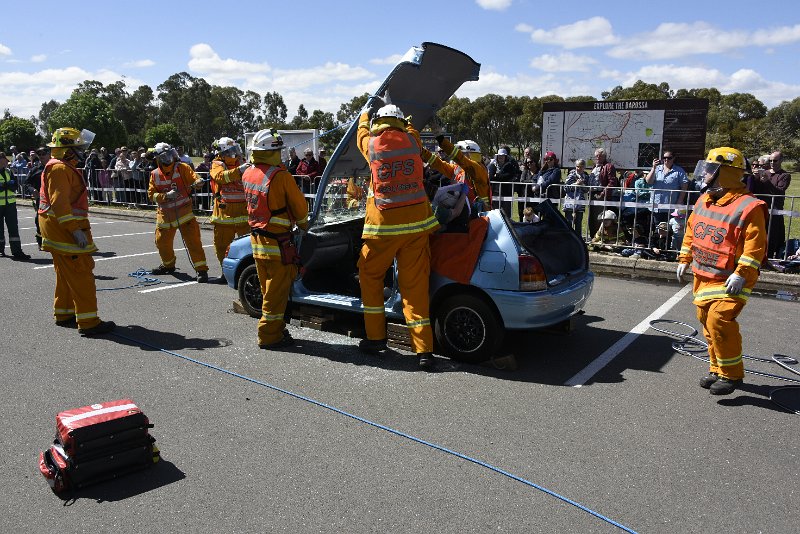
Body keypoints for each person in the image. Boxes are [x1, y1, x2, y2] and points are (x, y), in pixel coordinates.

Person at [676, 147, 768, 395]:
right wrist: (685, 257)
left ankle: (732, 375)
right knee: (707, 322)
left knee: (720, 321)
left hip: (731, 280)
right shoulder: (704, 199)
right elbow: (691, 231)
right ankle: (717, 369)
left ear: (724, 173)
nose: (704, 174)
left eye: (709, 169)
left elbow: (755, 246)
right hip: (704, 276)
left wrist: (742, 273)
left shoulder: (749, 207)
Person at [356, 99, 439, 371]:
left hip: (383, 229)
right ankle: (424, 351)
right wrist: (409, 120)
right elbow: (413, 130)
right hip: (416, 227)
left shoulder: (372, 144)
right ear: (402, 123)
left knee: (370, 277)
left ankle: (376, 339)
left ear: (379, 123)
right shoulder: (413, 142)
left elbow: (361, 135)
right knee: (415, 289)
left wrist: (365, 114)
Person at [38, 128, 115, 335]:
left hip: (58, 230)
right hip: (64, 232)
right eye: (79, 147)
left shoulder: (61, 167)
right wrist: (75, 230)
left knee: (65, 275)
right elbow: (60, 203)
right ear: (67, 150)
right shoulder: (60, 169)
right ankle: (89, 322)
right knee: (82, 274)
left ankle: (63, 313)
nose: (83, 151)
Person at [241, 128, 309, 349]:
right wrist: (305, 224)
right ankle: (269, 336)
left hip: (257, 243)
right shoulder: (280, 176)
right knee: (275, 295)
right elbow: (300, 207)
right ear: (272, 152)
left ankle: (277, 329)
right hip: (278, 244)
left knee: (267, 291)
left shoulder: (248, 173)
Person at [147, 142, 209, 282]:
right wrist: (166, 196)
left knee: (193, 242)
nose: (169, 158)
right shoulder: (154, 174)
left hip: (184, 214)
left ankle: (201, 270)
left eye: (171, 154)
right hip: (165, 215)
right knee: (161, 242)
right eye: (166, 156)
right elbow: (151, 195)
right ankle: (168, 266)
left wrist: (199, 182)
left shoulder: (182, 168)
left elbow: (195, 178)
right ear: (159, 159)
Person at [208, 137, 250, 278]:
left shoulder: (241, 162)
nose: (235, 153)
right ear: (223, 152)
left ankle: (248, 269)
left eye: (235, 149)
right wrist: (239, 170)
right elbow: (220, 177)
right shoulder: (217, 163)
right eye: (231, 151)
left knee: (248, 244)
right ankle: (225, 272)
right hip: (224, 213)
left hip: (243, 212)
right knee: (222, 245)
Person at [421, 137, 492, 215]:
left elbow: (460, 158)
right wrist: (422, 151)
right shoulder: (458, 169)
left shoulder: (479, 169)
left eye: (462, 153)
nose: (456, 158)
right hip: (464, 212)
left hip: (479, 214)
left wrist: (441, 139)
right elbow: (439, 164)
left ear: (469, 154)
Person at [753, 151, 791, 258]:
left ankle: (769, 257)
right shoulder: (764, 172)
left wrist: (766, 182)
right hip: (761, 207)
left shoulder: (784, 175)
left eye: (775, 160)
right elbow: (757, 189)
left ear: (781, 161)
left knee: (772, 235)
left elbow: (779, 191)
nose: (772, 163)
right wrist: (755, 178)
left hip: (775, 210)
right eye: (770, 160)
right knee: (758, 232)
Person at [644, 150, 688, 228]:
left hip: (671, 207)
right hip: (656, 206)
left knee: (669, 229)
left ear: (673, 158)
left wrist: (680, 200)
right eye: (664, 157)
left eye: (669, 158)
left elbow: (684, 185)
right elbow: (648, 181)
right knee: (657, 228)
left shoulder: (679, 171)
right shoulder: (657, 169)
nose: (666, 159)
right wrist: (653, 168)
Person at [0, 152, 31, 259]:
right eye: (4, 159)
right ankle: (0, 250)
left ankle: (17, 251)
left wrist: (5, 185)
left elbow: (15, 186)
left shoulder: (8, 171)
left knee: (13, 228)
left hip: (10, 205)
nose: (6, 162)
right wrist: (7, 185)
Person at [588, 147, 619, 236]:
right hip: (592, 195)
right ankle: (593, 238)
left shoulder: (609, 166)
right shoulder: (594, 167)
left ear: (604, 156)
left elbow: (612, 182)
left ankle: (600, 238)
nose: (598, 158)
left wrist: (603, 194)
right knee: (592, 218)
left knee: (599, 218)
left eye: (600, 156)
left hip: (600, 195)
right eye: (596, 156)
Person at [25, 146, 50, 250]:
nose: (41, 156)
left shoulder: (56, 167)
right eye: (39, 154)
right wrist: (32, 190)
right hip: (42, 199)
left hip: (56, 199)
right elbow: (26, 183)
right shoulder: (35, 169)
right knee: (39, 220)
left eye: (44, 154)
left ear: (49, 154)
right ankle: (41, 242)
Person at [563, 159, 589, 236]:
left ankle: (578, 240)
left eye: (581, 167)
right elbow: (565, 188)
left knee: (578, 224)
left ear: (584, 167)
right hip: (570, 203)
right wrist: (576, 184)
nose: (579, 168)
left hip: (580, 203)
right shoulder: (571, 175)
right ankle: (569, 239)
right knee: (569, 223)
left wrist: (582, 185)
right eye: (577, 166)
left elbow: (586, 190)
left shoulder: (586, 177)